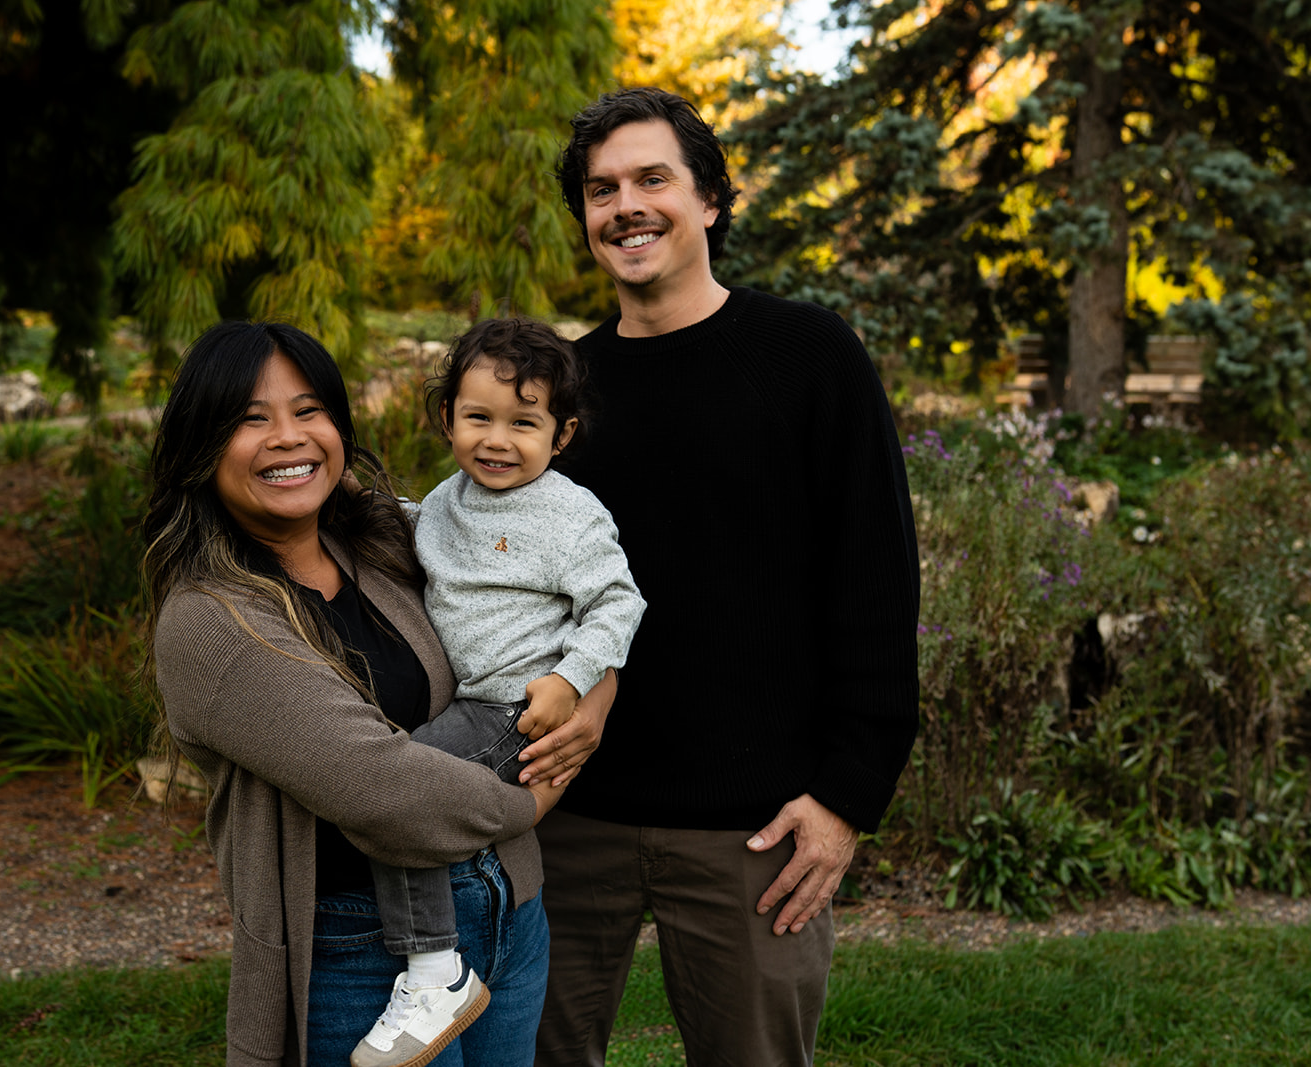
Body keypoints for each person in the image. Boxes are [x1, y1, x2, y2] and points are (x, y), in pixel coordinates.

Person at [533, 87, 922, 1066]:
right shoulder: (558, 389)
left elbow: (876, 581)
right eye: (601, 190)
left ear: (708, 199)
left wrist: (846, 795)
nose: (626, 206)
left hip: (754, 828)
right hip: (565, 814)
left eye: (651, 179)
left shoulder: (808, 356)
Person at [143, 320, 613, 1067]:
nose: (288, 437)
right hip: (364, 952)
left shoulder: (379, 543)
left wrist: (593, 690)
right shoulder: (211, 622)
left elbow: (551, 605)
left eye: (308, 410)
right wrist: (539, 794)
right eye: (250, 418)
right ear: (202, 444)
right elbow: (385, 791)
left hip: (507, 911)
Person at [354, 318, 647, 1066]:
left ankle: (434, 970)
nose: (497, 440)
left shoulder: (568, 514)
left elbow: (618, 604)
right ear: (447, 416)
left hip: (516, 709)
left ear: (561, 433)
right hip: (468, 706)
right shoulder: (447, 501)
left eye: (524, 423)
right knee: (400, 790)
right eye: (478, 417)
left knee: (396, 790)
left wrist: (570, 679)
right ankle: (437, 960)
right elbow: (418, 531)